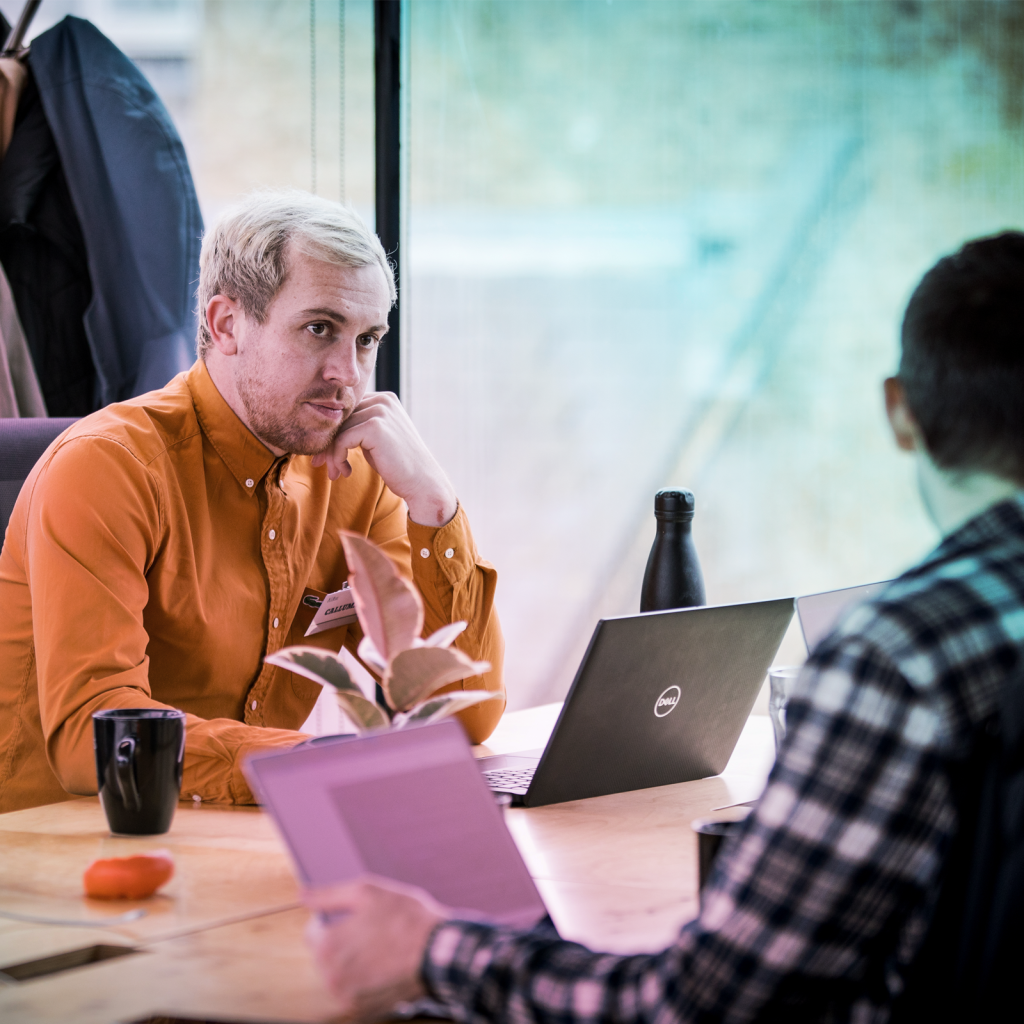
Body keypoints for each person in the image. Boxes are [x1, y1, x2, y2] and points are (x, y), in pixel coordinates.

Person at [301, 231, 1024, 1022]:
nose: (347, 370)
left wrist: (437, 951)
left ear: (901, 412)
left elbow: (708, 1004)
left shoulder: (899, 660)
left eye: (367, 339)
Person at [0, 189, 504, 814]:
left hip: (246, 834)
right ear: (226, 324)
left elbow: (463, 715)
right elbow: (95, 736)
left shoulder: (358, 476)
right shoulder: (108, 468)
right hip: (62, 852)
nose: (349, 373)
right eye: (320, 329)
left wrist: (436, 504)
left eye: (368, 339)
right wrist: (320, 764)